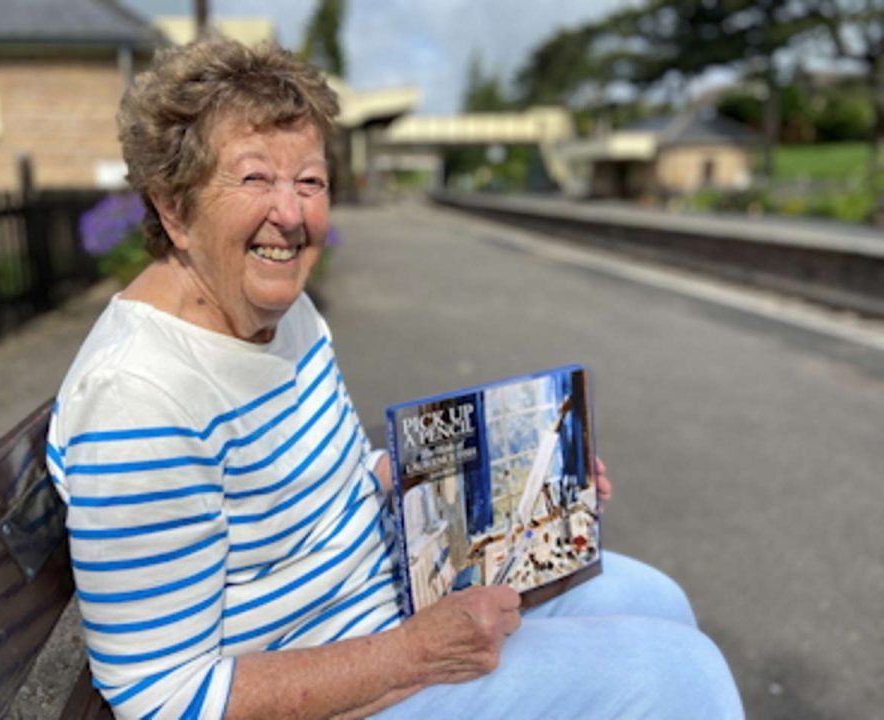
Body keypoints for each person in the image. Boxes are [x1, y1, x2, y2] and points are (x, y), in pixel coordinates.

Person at [47, 36, 744, 720]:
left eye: (309, 182)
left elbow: (350, 481)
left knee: (656, 599)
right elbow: (165, 699)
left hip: (385, 602)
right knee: (677, 676)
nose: (289, 215)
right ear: (173, 207)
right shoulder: (139, 399)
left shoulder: (279, 309)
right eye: (255, 177)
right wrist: (415, 653)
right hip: (345, 679)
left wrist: (519, 482)